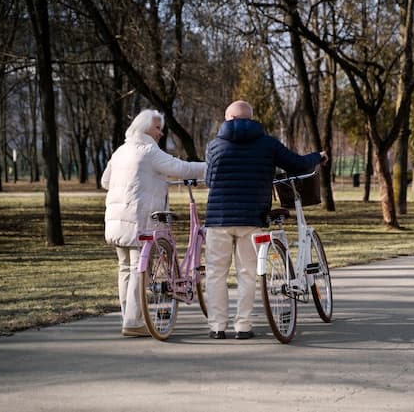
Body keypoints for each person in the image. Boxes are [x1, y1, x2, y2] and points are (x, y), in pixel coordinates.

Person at [204, 100, 327, 340]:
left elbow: (210, 180)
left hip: (218, 218)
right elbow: (297, 164)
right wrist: (317, 156)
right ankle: (243, 326)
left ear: (228, 118)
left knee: (215, 274)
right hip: (252, 217)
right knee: (248, 274)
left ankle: (217, 327)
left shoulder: (214, 146)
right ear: (250, 118)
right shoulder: (267, 144)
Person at [101, 109, 206, 337]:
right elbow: (182, 169)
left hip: (116, 220)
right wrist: (211, 167)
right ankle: (133, 321)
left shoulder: (120, 151)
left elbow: (105, 181)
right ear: (144, 127)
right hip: (140, 220)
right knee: (141, 271)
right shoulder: (149, 151)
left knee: (125, 269)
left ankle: (130, 318)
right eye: (157, 128)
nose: (160, 133)